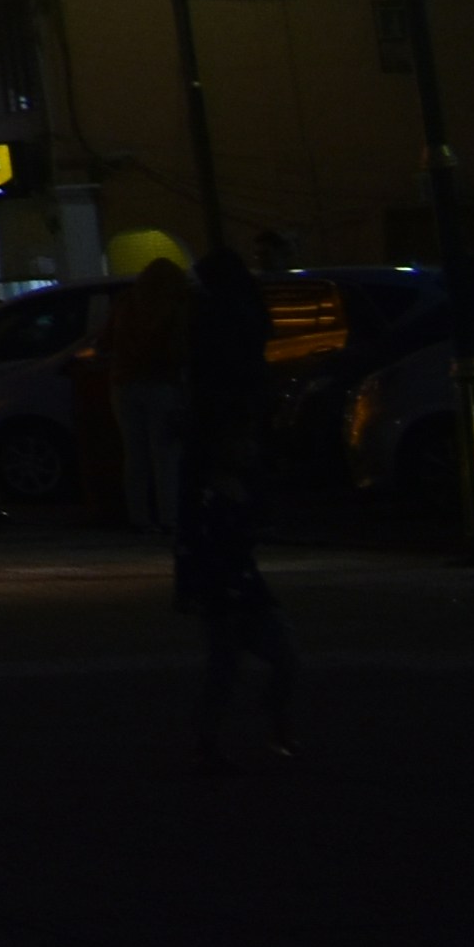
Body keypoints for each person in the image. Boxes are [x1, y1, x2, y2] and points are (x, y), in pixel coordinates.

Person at [180, 246, 294, 766]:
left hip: (223, 566)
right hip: (230, 571)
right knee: (239, 654)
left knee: (229, 656)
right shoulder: (237, 322)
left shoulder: (208, 326)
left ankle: (229, 738)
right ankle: (266, 736)